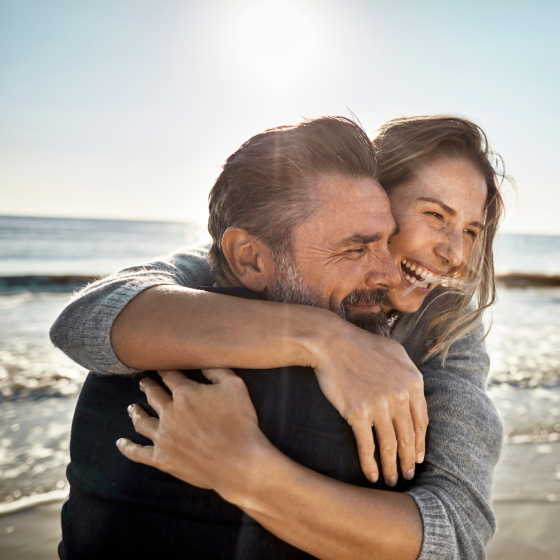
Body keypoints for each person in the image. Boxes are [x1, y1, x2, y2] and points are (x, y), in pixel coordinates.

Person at [51, 115, 505, 559]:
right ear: (377, 197)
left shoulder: (446, 325)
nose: (456, 255)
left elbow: (458, 535)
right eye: (433, 215)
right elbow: (84, 322)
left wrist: (243, 468)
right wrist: (325, 338)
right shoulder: (235, 265)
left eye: (470, 231)